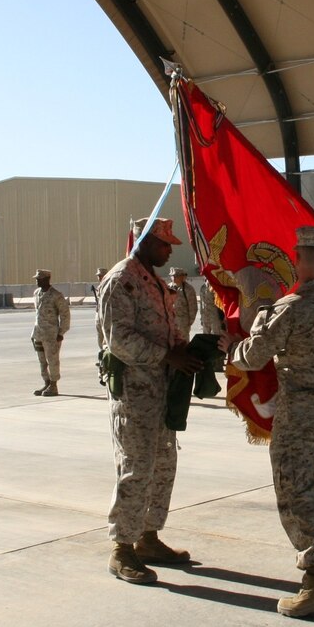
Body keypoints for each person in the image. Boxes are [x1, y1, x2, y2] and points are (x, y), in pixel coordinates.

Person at [219, 227, 314, 618]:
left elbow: (254, 357)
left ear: (298, 259)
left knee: (297, 492)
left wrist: (234, 347)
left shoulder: (290, 307)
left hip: (302, 415)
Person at [99, 217, 204, 584]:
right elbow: (119, 340)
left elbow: (170, 328)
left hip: (163, 392)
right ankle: (122, 549)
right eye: (163, 244)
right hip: (136, 393)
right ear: (143, 242)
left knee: (162, 466)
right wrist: (167, 356)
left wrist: (187, 349)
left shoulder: (155, 282)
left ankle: (148, 537)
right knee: (136, 467)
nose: (170, 250)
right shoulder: (121, 281)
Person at [31, 269, 70, 397]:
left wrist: (61, 332)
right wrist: (33, 334)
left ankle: (54, 385)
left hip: (51, 335)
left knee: (52, 360)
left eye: (39, 279)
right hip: (38, 333)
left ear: (47, 279)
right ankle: (46, 382)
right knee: (42, 361)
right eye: (37, 278)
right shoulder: (36, 293)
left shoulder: (56, 295)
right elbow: (38, 314)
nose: (37, 281)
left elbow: (65, 315)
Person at [168, 266, 198, 342]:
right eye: (172, 276)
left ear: (182, 277)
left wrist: (189, 322)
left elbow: (193, 307)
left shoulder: (188, 289)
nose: (174, 278)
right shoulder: (168, 287)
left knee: (183, 342)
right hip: (171, 322)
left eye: (176, 276)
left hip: (183, 322)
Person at [92, 267, 108, 351]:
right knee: (100, 335)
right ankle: (101, 353)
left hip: (106, 315)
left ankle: (105, 355)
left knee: (106, 336)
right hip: (99, 314)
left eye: (101, 276)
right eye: (98, 276)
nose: (99, 277)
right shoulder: (99, 287)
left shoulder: (109, 286)